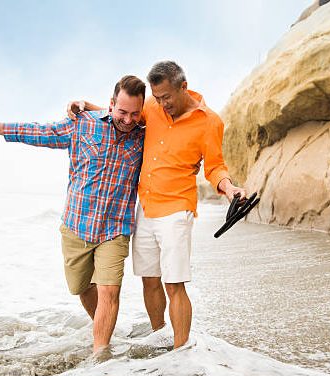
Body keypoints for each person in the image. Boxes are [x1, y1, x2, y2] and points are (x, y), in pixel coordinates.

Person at [68, 61, 245, 349]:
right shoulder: (152, 107)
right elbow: (122, 114)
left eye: (166, 97)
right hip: (146, 208)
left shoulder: (210, 122)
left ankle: (181, 350)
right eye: (157, 98)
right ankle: (159, 334)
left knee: (174, 284)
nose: (161, 104)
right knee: (149, 281)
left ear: (183, 87)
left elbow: (215, 167)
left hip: (177, 208)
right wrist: (85, 104)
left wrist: (229, 188)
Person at [0, 75, 146, 356]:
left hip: (115, 229)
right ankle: (106, 329)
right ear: (111, 105)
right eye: (122, 111)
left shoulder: (143, 133)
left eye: (135, 113)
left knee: (110, 291)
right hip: (77, 225)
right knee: (82, 288)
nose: (128, 119)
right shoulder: (83, 124)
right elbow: (39, 132)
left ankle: (102, 356)